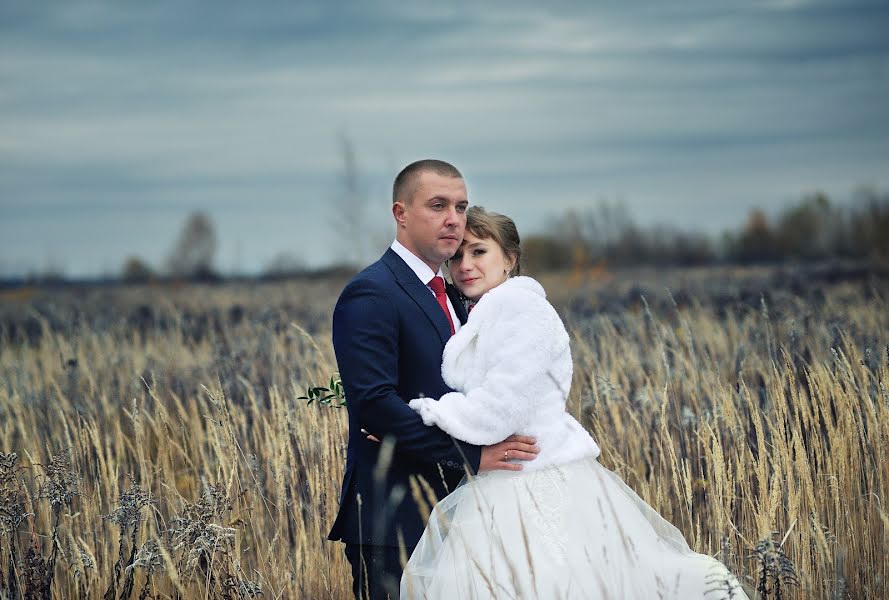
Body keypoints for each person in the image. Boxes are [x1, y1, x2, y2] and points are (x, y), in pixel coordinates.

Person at [397, 207, 750, 599]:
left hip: (533, 477)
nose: (465, 265)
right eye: (457, 256)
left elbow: (502, 407)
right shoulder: (484, 313)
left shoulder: (522, 309)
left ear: (509, 259)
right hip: (505, 477)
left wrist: (420, 415)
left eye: (479, 252)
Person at [329, 160, 541, 600]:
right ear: (400, 213)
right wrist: (473, 456)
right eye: (438, 205)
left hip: (465, 518)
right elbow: (374, 404)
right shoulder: (373, 292)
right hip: (396, 518)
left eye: (461, 207)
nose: (453, 219)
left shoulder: (460, 298)